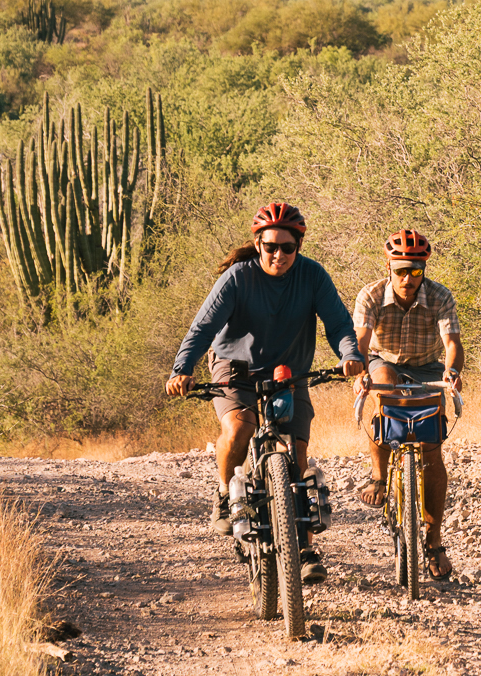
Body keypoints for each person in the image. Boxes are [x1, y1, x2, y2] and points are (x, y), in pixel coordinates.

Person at [166, 202, 366, 584]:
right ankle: (224, 494)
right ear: (258, 244)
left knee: (297, 450)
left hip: (289, 370)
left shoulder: (312, 276)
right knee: (240, 427)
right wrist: (182, 370)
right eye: (270, 246)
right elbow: (203, 328)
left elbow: (339, 323)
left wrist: (350, 355)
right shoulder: (238, 278)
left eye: (287, 247)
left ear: (298, 246)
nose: (278, 255)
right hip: (234, 366)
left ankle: (304, 549)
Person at [353, 228, 463, 581]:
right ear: (388, 267)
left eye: (415, 271)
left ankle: (433, 540)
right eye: (401, 270)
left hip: (427, 366)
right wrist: (360, 373)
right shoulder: (371, 295)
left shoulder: (440, 296)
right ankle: (379, 476)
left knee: (431, 449)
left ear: (423, 270)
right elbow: (361, 342)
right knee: (385, 390)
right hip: (382, 360)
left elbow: (452, 343)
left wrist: (451, 373)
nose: (408, 278)